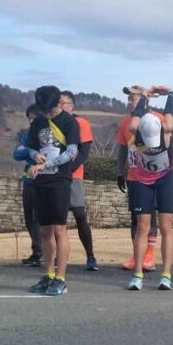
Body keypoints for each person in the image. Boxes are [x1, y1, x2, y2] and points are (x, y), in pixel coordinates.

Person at [24, 85, 86, 296]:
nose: (47, 115)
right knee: (44, 230)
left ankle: (61, 278)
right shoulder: (38, 122)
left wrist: (46, 164)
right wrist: (35, 156)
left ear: (59, 103)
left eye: (50, 110)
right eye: (44, 111)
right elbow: (30, 147)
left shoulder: (70, 122)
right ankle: (49, 274)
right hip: (41, 180)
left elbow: (71, 152)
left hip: (60, 179)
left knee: (60, 229)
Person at [115, 87, 171, 272]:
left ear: (144, 100)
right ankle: (137, 254)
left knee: (151, 217)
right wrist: (119, 172)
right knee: (136, 218)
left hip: (154, 175)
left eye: (133, 99)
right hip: (134, 175)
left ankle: (149, 255)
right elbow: (123, 148)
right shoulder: (126, 122)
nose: (129, 102)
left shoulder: (157, 118)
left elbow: (165, 146)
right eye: (128, 99)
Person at [121, 105, 173, 292]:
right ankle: (137, 274)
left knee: (166, 226)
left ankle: (166, 275)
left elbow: (170, 114)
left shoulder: (166, 132)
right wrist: (144, 96)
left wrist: (170, 95)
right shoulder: (135, 132)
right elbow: (135, 119)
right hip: (142, 181)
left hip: (164, 180)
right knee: (142, 227)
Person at [59, 90, 100, 271]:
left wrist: (69, 170)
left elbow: (84, 153)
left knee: (80, 215)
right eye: (58, 103)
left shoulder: (81, 122)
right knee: (57, 219)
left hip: (73, 175)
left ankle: (90, 255)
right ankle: (58, 256)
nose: (61, 106)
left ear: (72, 106)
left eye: (64, 103)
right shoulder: (53, 124)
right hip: (55, 175)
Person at [13, 104, 45, 266]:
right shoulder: (27, 135)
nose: (32, 121)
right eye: (30, 119)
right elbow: (17, 153)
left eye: (34, 118)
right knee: (29, 219)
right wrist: (31, 153)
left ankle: (46, 252)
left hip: (45, 180)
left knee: (39, 218)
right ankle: (37, 252)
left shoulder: (47, 135)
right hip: (28, 180)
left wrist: (29, 152)